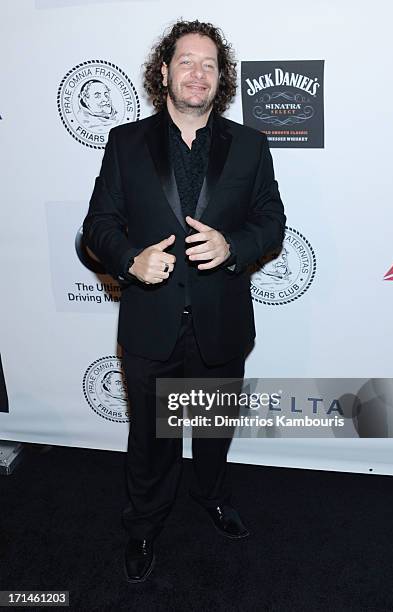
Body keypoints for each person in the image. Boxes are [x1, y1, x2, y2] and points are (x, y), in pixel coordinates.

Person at [83, 19, 286, 583]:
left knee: (214, 431)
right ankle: (144, 526)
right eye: (186, 61)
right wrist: (129, 260)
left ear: (220, 79)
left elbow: (272, 222)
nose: (198, 73)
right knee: (150, 440)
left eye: (210, 65)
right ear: (164, 71)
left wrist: (233, 245)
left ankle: (212, 497)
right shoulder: (126, 142)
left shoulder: (250, 144)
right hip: (152, 326)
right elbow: (96, 225)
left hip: (221, 322)